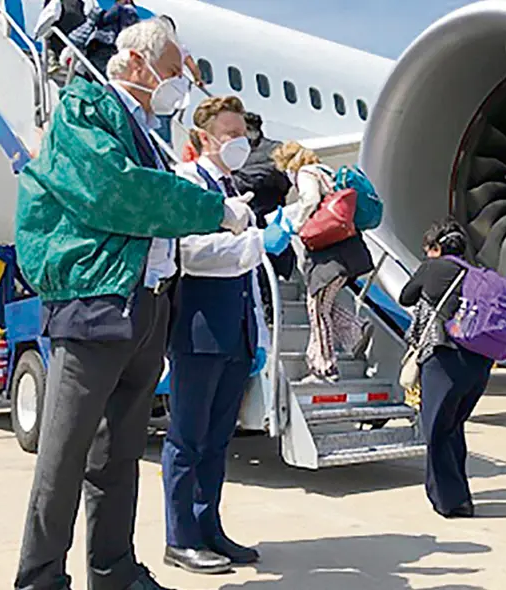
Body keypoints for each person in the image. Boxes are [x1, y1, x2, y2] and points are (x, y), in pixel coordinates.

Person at [13, 20, 251, 590]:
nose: (177, 84)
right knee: (64, 455)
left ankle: (112, 569)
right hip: (96, 302)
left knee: (118, 454)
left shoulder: (144, 128)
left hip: (143, 305)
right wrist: (211, 210)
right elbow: (115, 191)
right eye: (172, 71)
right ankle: (40, 577)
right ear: (138, 65)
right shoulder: (86, 109)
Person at [161, 95, 291, 575]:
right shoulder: (187, 182)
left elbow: (248, 273)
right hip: (198, 331)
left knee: (218, 442)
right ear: (203, 138)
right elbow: (190, 253)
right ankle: (180, 538)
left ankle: (208, 526)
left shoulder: (232, 187)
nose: (241, 143)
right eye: (231, 135)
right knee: (187, 439)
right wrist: (259, 240)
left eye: (244, 135)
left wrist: (255, 334)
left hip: (234, 331)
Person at [399, 218, 494, 518]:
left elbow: (406, 296)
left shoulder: (433, 267)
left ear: (436, 248)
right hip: (479, 364)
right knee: (454, 428)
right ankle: (459, 494)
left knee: (437, 432)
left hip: (444, 359)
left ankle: (450, 501)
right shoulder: (479, 275)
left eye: (427, 249)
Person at [271, 140, 374, 382]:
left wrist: (296, 225)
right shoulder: (326, 171)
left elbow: (309, 199)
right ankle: (354, 329)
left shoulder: (306, 172)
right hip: (346, 249)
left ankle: (325, 366)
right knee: (320, 303)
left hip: (330, 254)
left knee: (316, 308)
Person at [234, 111, 297, 311]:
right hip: (249, 217)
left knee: (265, 261)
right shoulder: (240, 151)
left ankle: (268, 305)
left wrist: (241, 178)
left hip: (267, 217)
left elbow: (279, 177)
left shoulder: (274, 149)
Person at [68, 0, 141, 79]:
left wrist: (98, 16)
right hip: (115, 48)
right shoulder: (136, 18)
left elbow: (105, 19)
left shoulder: (120, 9)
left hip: (104, 43)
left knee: (95, 68)